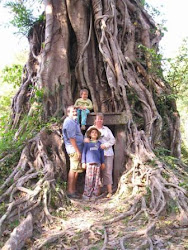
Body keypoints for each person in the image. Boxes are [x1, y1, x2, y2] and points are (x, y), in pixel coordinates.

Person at [85, 113, 116, 198]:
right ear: (95, 120)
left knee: (107, 172)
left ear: (103, 121)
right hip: (95, 155)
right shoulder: (91, 129)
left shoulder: (106, 129)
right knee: (96, 173)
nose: (99, 121)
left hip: (107, 153)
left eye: (101, 119)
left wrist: (105, 145)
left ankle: (109, 191)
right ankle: (96, 192)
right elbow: (86, 139)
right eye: (98, 119)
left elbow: (113, 140)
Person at [62, 105, 84, 199]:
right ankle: (70, 191)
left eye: (75, 111)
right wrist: (78, 151)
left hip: (77, 148)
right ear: (68, 113)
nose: (75, 113)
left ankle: (73, 190)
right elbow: (72, 139)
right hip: (74, 149)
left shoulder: (74, 121)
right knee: (73, 169)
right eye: (72, 111)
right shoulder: (69, 122)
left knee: (76, 170)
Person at [82, 127, 105, 201]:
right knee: (89, 179)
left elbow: (102, 154)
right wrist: (83, 162)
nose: (94, 134)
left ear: (98, 135)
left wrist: (103, 162)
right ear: (90, 134)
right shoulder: (87, 143)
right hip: (89, 163)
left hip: (97, 164)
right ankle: (87, 194)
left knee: (96, 179)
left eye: (96, 133)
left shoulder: (99, 144)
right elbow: (84, 153)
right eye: (92, 132)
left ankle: (94, 194)